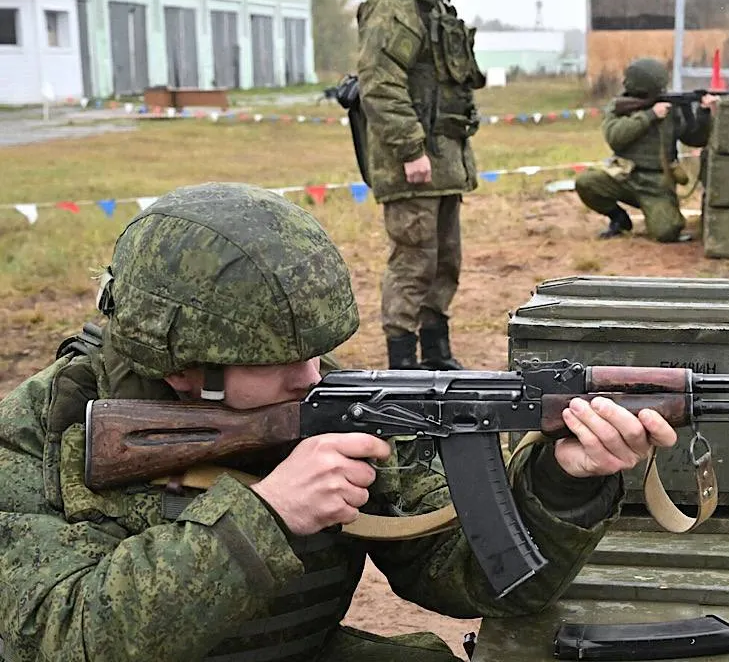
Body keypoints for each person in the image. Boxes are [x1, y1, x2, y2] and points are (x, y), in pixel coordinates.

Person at [0, 182, 678, 662]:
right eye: (278, 362)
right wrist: (267, 515)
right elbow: (58, 639)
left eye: (316, 350)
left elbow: (472, 576)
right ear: (184, 369)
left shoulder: (334, 397)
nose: (312, 375)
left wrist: (562, 483)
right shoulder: (36, 433)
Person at [356, 0, 486, 372]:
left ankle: (435, 353)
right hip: (415, 160)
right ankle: (403, 364)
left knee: (445, 261)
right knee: (413, 261)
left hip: (444, 159)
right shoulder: (393, 2)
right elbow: (380, 83)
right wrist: (411, 150)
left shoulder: (432, 1)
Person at [574, 58, 719, 243]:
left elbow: (695, 139)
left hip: (657, 183)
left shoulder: (671, 109)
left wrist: (703, 113)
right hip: (624, 175)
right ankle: (618, 218)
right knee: (586, 182)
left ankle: (656, 211)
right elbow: (615, 138)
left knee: (667, 232)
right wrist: (650, 115)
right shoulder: (621, 106)